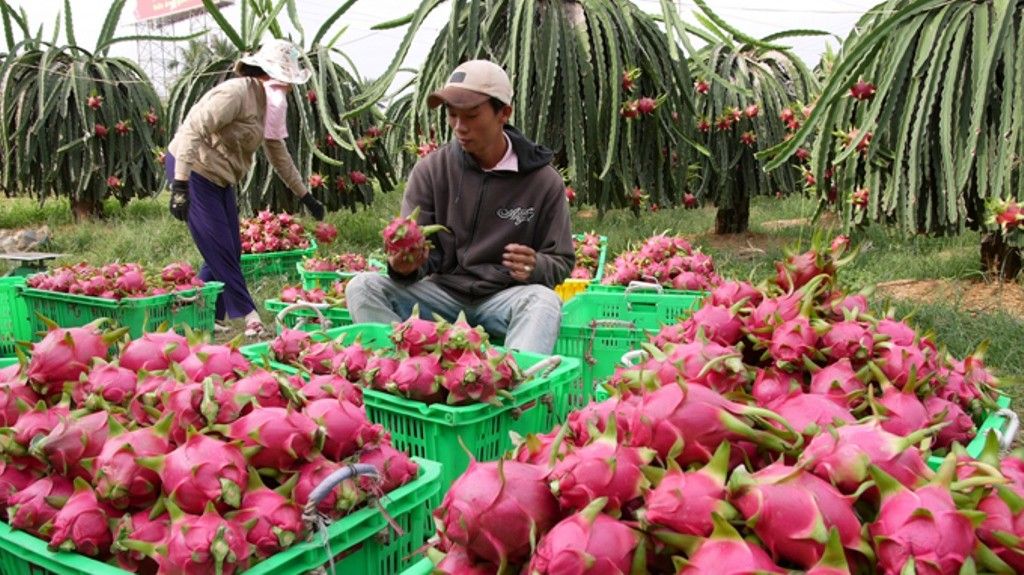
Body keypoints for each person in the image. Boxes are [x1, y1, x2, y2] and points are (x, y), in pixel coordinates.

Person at [346, 60, 574, 354]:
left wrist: (537, 266)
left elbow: (562, 260)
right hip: (441, 295)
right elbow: (417, 251)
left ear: (504, 113)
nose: (459, 127)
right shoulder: (432, 170)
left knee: (543, 301)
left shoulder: (543, 181)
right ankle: (403, 373)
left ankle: (516, 389)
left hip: (503, 299)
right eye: (452, 115)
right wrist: (404, 266)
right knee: (362, 287)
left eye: (471, 115)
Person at [165, 39, 325, 338]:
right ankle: (250, 317)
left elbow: (279, 153)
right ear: (266, 74)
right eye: (284, 81)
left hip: (221, 178)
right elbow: (191, 130)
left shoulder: (269, 105)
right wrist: (180, 184)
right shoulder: (235, 93)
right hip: (193, 171)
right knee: (221, 249)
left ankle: (199, 313)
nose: (288, 89)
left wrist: (305, 194)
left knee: (230, 249)